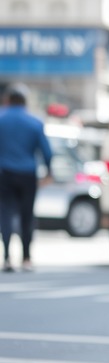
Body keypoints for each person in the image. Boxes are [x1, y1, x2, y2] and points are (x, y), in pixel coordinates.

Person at [0, 84, 52, 273]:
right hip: (28, 174)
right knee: (27, 215)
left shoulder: (1, 119)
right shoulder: (34, 122)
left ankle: (7, 257)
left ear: (8, 100)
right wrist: (49, 172)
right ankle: (27, 258)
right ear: (25, 102)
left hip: (4, 174)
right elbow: (47, 151)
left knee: (5, 214)